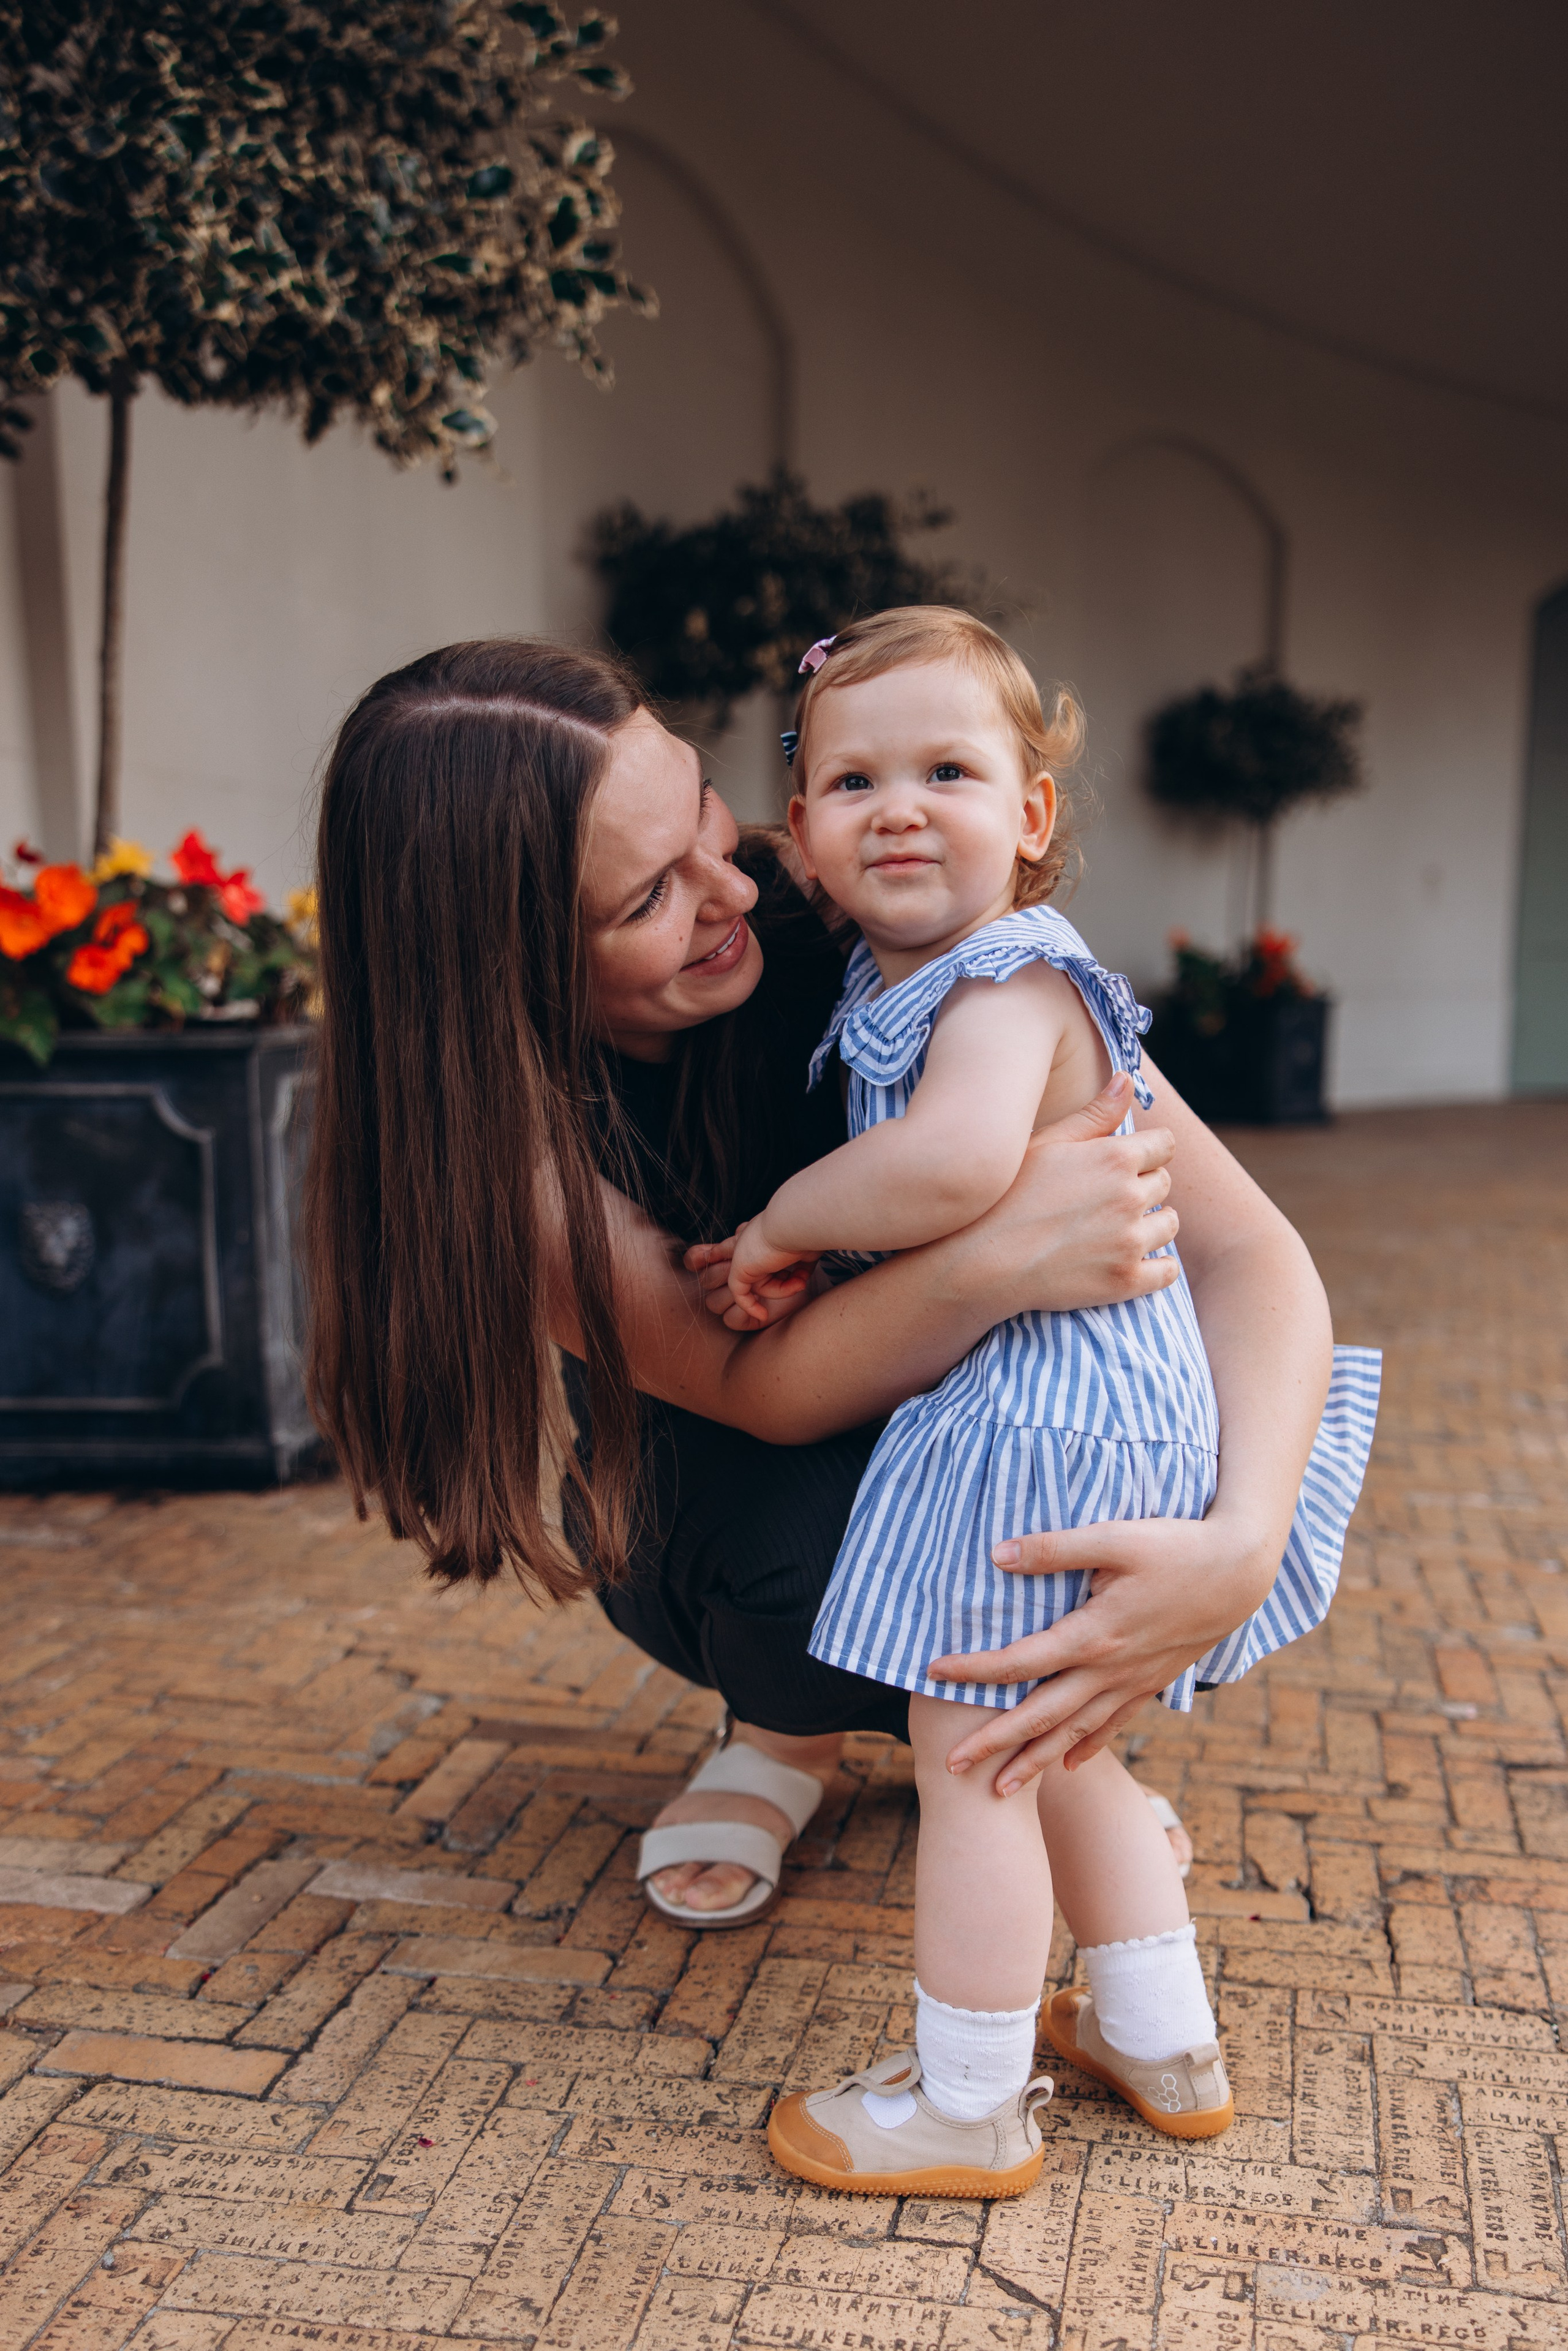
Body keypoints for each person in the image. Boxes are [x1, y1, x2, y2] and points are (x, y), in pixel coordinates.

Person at [303, 636, 1343, 2089]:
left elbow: (1248, 1255)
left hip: (1002, 1443)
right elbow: (755, 1388)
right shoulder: (504, 1147)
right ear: (506, 966)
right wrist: (1001, 1254)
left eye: (708, 819)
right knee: (801, 1559)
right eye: (649, 898)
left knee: (1095, 1521)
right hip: (737, 1498)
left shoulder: (865, 906)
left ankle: (1048, 1772)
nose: (736, 890)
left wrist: (1239, 1542)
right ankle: (790, 1732)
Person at [690, 610, 1378, 2196]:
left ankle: (966, 2098)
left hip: (1049, 1411)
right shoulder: (906, 978)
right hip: (1092, 1406)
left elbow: (949, 1165)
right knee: (1061, 1742)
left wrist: (781, 1224)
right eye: (855, 780)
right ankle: (1160, 2034)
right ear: (802, 832)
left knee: (975, 1750)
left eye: (948, 770)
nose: (900, 808)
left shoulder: (1002, 979)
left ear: (1031, 812)